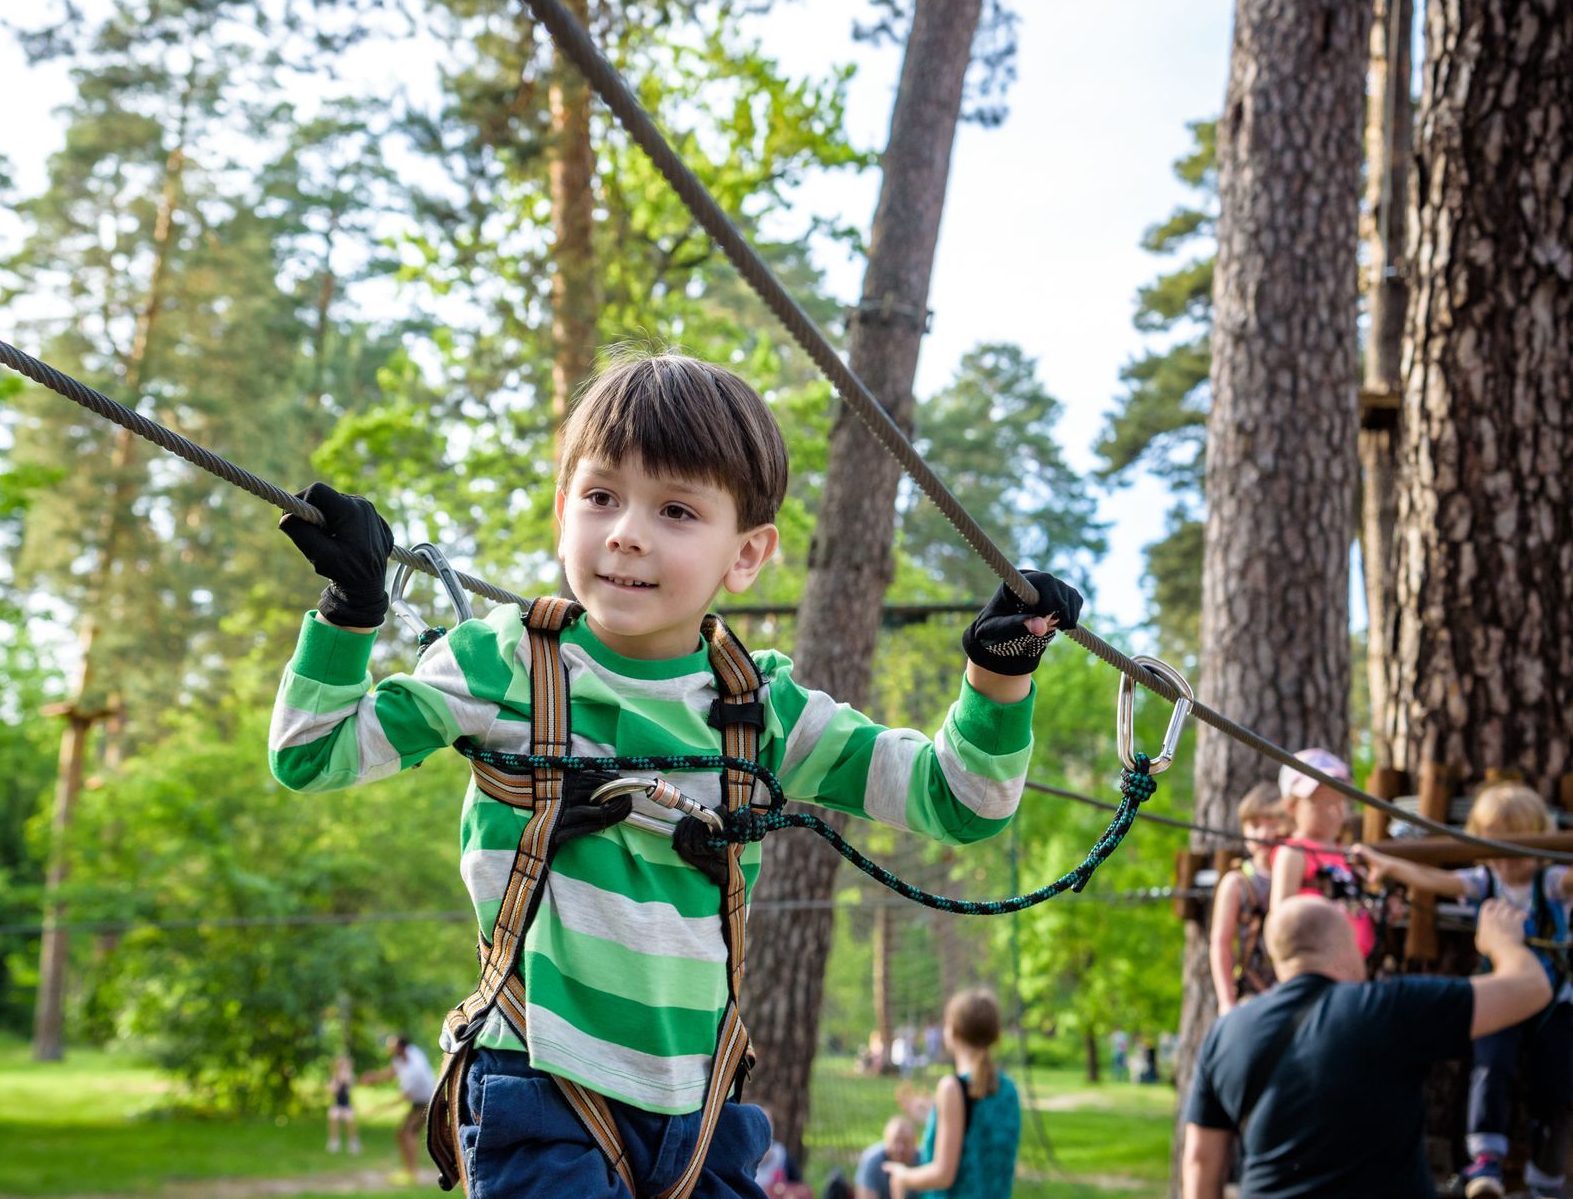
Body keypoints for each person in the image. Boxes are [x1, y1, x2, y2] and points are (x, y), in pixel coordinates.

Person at [270, 351, 1082, 1195]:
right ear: (563, 512)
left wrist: (1000, 675)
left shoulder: (763, 710)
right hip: (542, 1092)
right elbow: (310, 754)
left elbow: (960, 802)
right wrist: (350, 613)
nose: (626, 531)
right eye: (600, 497)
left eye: (677, 510)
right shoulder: (500, 665)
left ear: (747, 554)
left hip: (704, 1115)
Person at [1181, 895, 1551, 1199]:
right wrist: (1502, 942)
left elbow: (1201, 1160)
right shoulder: (1387, 1008)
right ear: (1345, 948)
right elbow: (1531, 989)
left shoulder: (1226, 1033)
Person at [1357, 783, 1573, 1199]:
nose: (1506, 865)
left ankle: (1546, 1173)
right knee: (1491, 1067)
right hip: (1501, 997)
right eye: (1496, 851)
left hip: (1553, 1000)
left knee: (1556, 1081)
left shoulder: (1552, 882)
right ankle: (1486, 1161)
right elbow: (1432, 878)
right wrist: (1386, 864)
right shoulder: (1483, 881)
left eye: (1517, 851)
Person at [883, 989, 1020, 1199]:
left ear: (953, 1031)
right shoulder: (1008, 1088)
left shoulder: (952, 1087)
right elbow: (976, 1135)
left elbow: (943, 1174)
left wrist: (903, 1176)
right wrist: (933, 1116)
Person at [1268, 749, 1377, 965]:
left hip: (1357, 964)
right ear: (1291, 806)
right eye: (1323, 802)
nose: (1335, 811)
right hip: (1317, 966)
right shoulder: (1293, 853)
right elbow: (1279, 918)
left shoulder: (1345, 853)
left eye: (1340, 801)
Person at [1211, 783, 1289, 1011]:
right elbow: (1221, 943)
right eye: (1255, 825)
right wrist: (1226, 1001)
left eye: (1274, 824)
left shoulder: (1304, 874)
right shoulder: (1237, 883)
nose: (1265, 834)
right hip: (1252, 991)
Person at [356, 1034, 435, 1184]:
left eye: (391, 1046)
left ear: (399, 1048)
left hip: (428, 1101)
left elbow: (404, 1097)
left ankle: (412, 1173)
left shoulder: (415, 1069)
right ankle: (408, 1170)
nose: (389, 1049)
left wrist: (380, 1108)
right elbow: (392, 1071)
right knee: (402, 1133)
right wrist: (374, 1077)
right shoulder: (406, 1054)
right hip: (419, 1101)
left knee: (409, 1132)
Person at [855, 1116, 920, 1199]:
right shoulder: (872, 1160)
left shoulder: (924, 1161)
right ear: (886, 1140)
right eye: (896, 1141)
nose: (900, 1149)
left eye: (906, 1142)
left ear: (915, 1142)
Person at [325, 1053, 361, 1155]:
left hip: (347, 1105)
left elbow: (352, 1084)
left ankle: (353, 1142)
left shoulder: (350, 1076)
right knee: (333, 1116)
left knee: (349, 1119)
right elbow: (332, 1091)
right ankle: (334, 1141)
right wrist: (338, 1081)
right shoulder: (334, 1077)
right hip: (337, 1104)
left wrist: (346, 1079)